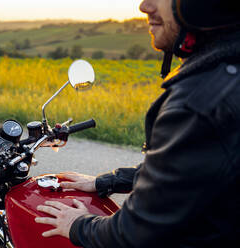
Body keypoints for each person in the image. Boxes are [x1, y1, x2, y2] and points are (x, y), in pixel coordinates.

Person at [35, 0, 240, 247]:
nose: (144, 7)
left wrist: (76, 224)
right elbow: (184, 172)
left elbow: (135, 232)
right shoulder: (227, 74)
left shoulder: (197, 104)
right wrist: (105, 182)